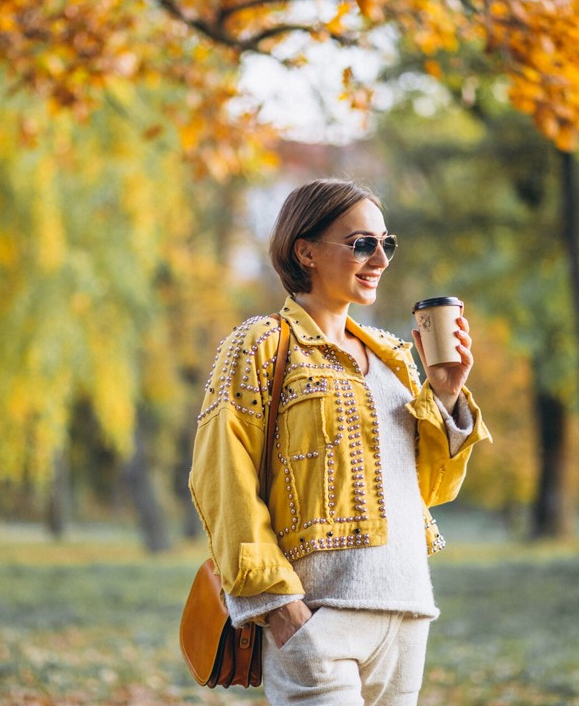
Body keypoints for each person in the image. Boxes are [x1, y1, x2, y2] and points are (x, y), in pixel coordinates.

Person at [189, 178, 491, 706]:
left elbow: (427, 489)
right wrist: (281, 609)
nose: (380, 258)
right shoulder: (260, 345)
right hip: (318, 623)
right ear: (304, 250)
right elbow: (223, 479)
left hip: (407, 616)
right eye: (361, 244)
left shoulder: (398, 358)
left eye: (386, 244)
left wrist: (445, 394)